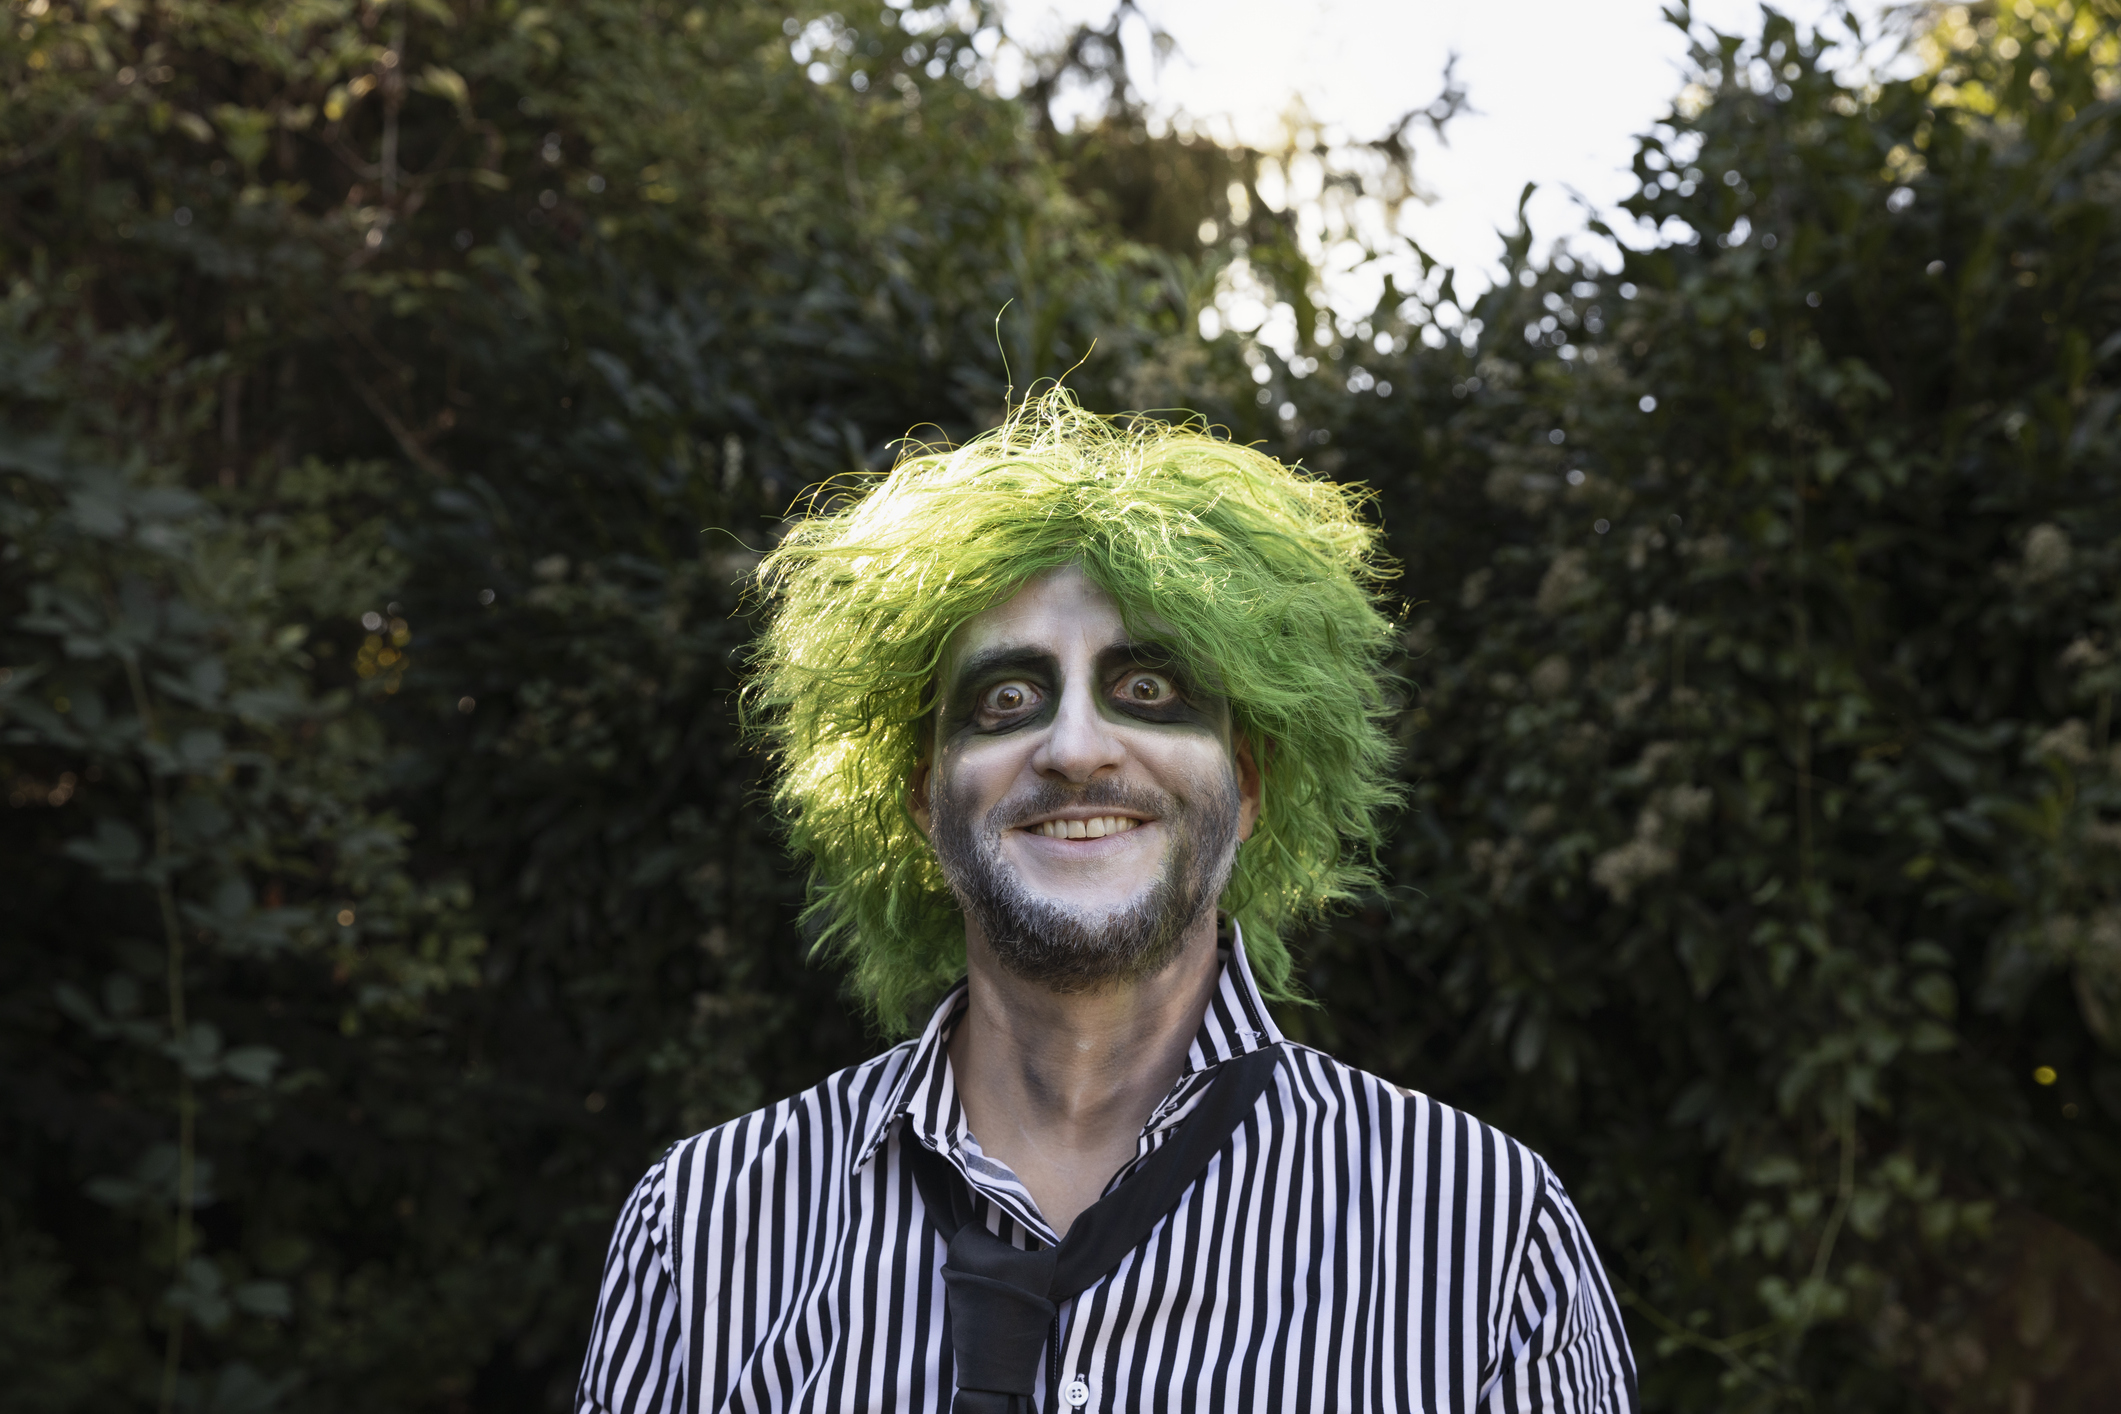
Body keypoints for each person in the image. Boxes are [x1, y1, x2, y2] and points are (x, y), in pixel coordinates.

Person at [576, 391, 1638, 1413]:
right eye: (1006, 699)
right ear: (919, 803)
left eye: (1148, 690)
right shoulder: (707, 1233)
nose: (1076, 748)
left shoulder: (1486, 1237)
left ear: (1251, 784)